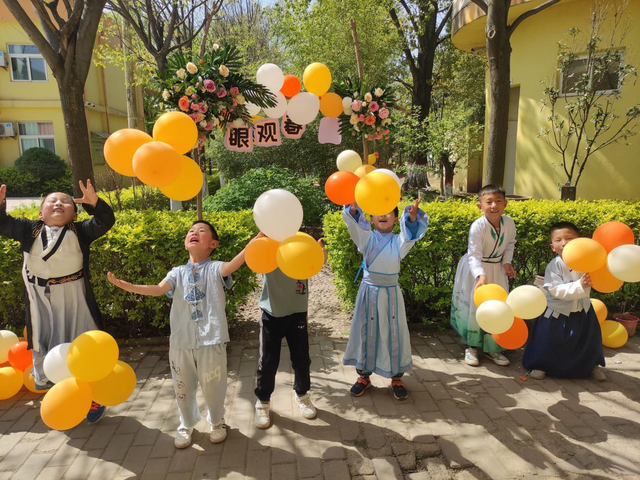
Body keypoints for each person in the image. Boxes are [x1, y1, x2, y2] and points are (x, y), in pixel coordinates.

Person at [107, 221, 256, 448]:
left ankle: (217, 422)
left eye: (201, 231)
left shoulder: (215, 268)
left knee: (213, 385)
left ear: (213, 244)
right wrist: (128, 286)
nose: (194, 233)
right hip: (180, 340)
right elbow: (158, 289)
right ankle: (186, 423)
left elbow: (233, 265)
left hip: (211, 338)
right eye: (191, 231)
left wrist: (254, 242)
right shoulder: (177, 272)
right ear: (186, 243)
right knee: (182, 386)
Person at [0, 181, 115, 423]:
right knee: (49, 340)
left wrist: (95, 204)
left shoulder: (80, 231)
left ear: (74, 214)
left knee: (83, 340)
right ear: (41, 212)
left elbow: (105, 221)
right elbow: (3, 224)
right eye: (52, 201)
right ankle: (63, 391)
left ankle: (93, 395)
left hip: (74, 295)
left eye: (66, 202)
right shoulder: (28, 229)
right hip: (40, 298)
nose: (59, 203)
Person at [342, 197, 428, 400]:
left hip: (391, 294)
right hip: (369, 293)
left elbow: (410, 238)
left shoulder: (399, 241)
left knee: (394, 332)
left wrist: (413, 219)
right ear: (370, 218)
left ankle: (397, 377)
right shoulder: (367, 239)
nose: (383, 215)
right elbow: (357, 229)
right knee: (365, 332)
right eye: (378, 212)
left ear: (397, 219)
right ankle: (363, 377)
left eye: (389, 211)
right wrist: (354, 212)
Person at [253, 238, 327, 429]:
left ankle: (302, 394)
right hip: (271, 314)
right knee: (268, 362)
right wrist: (256, 244)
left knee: (302, 360)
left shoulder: (299, 242)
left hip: (297, 313)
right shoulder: (267, 246)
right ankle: (263, 400)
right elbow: (253, 261)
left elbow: (316, 264)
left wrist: (321, 254)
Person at [522, 222, 606, 380]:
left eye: (569, 238)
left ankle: (590, 366)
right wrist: (579, 285)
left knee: (588, 340)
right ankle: (540, 364)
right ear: (552, 246)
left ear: (579, 241)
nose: (564, 243)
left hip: (583, 310)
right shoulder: (554, 266)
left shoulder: (588, 260)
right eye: (558, 240)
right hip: (557, 312)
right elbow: (555, 290)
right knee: (549, 340)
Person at [450, 184, 517, 367]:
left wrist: (507, 263)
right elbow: (474, 254)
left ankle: (494, 347)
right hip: (476, 270)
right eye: (489, 202)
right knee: (475, 306)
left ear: (505, 204)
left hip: (497, 269)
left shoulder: (509, 223)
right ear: (480, 205)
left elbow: (510, 243)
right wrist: (480, 275)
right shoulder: (477, 226)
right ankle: (471, 346)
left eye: (498, 201)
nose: (494, 205)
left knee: (498, 306)